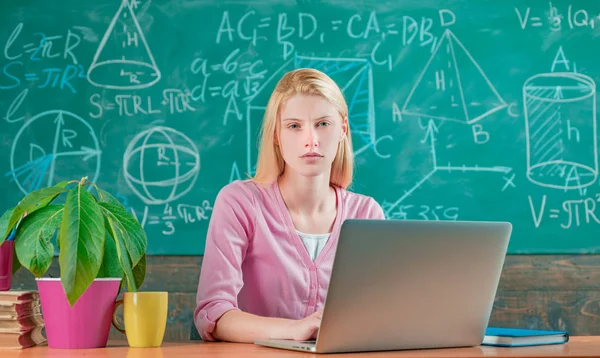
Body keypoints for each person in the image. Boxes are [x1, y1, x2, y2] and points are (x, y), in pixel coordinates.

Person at [194, 68, 385, 343]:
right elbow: (213, 313)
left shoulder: (367, 214)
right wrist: (294, 330)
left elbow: (379, 311)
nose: (311, 140)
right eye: (294, 126)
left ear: (343, 129)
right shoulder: (239, 202)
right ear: (276, 134)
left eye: (323, 124)